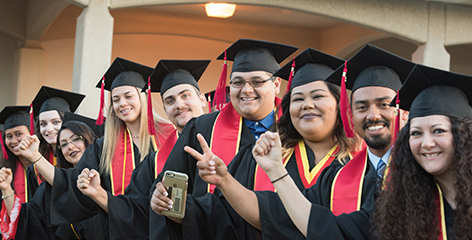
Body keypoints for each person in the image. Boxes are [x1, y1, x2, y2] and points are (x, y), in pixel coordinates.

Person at [152, 48, 364, 240]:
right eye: (298, 99)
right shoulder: (261, 155)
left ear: (340, 104)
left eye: (318, 96)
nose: (307, 105)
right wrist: (174, 204)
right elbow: (224, 216)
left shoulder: (363, 166)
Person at [149, 39, 297, 238]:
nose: (246, 89)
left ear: (276, 84)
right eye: (237, 82)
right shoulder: (202, 129)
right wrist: (162, 199)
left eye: (257, 81)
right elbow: (169, 192)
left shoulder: (294, 132)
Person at [17, 57, 174, 238]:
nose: (122, 103)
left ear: (143, 96)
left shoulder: (170, 135)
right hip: (122, 232)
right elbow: (70, 182)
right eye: (115, 99)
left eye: (128, 96)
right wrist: (35, 156)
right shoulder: (104, 146)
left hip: (167, 229)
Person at [75, 59, 210, 239]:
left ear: (202, 99)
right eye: (170, 101)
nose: (179, 105)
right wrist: (97, 193)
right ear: (165, 108)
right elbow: (136, 211)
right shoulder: (152, 161)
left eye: (185, 96)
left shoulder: (236, 139)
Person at [375, 65, 472, 240]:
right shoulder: (405, 207)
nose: (426, 144)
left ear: (463, 137)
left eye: (438, 131)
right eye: (416, 133)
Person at [0, 115, 101, 239]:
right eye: (63, 144)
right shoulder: (52, 188)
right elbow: (27, 219)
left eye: (75, 139)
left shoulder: (106, 177)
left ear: (88, 139)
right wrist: (6, 189)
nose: (70, 146)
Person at [30, 86, 86, 166]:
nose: (49, 129)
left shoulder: (80, 155)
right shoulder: (37, 161)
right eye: (43, 124)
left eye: (56, 122)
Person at [0, 106, 39, 206]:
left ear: (32, 133)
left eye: (18, 134)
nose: (14, 141)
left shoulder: (47, 163)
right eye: (9, 136)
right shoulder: (4, 170)